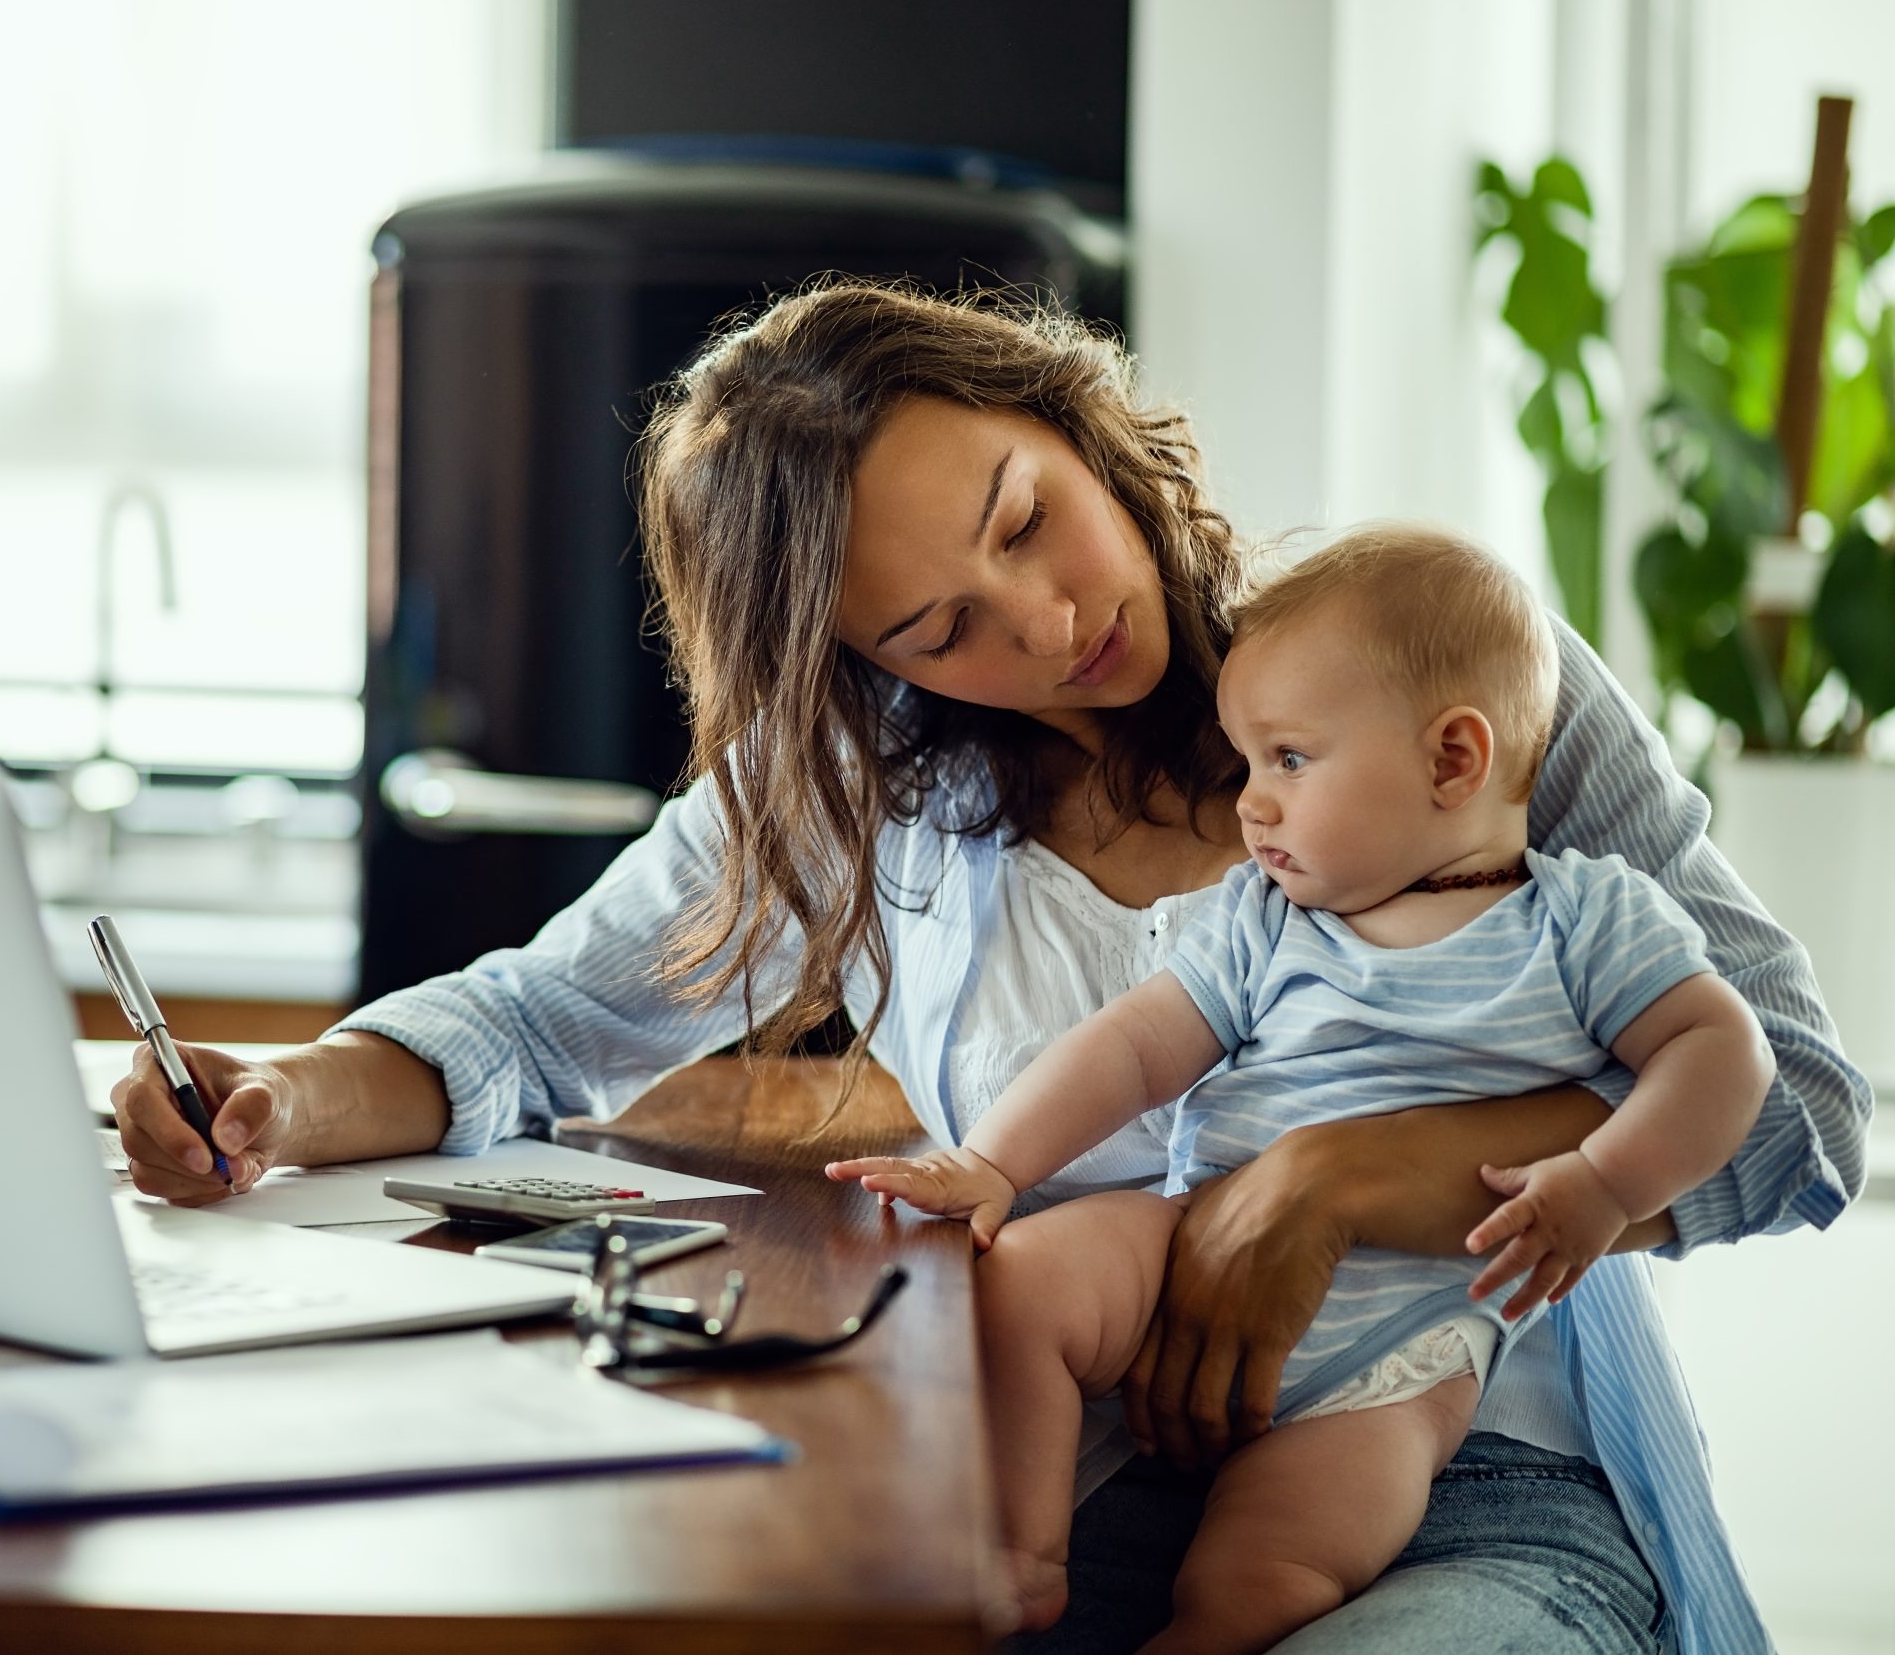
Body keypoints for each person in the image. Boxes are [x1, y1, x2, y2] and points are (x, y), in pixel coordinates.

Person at [110, 282, 1868, 1654]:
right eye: (936, 627)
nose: (1042, 625)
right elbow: (528, 1020)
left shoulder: (1431, 670)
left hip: (1476, 1475)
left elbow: (1800, 1117)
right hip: (1078, 1488)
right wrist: (274, 1099)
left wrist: (1329, 1182)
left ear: (1073, 421)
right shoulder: (865, 787)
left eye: (1027, 521)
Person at [825, 526, 1775, 1650]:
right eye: (1245, 763)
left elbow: (1729, 1053)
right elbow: (1131, 1049)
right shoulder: (1268, 921)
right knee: (1024, 1284)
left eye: (1287, 760)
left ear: (1451, 762)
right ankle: (1022, 1559)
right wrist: (992, 1165)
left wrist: (1608, 1183)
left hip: (1406, 1352)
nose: (1251, 807)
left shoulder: (1583, 922)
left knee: (1261, 1572)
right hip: (1194, 1246)